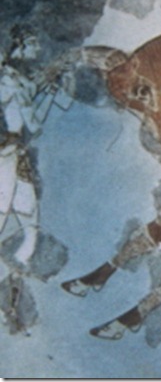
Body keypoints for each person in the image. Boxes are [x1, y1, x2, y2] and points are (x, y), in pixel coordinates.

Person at [0, 24, 68, 334]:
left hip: (16, 156)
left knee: (30, 226)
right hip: (4, 157)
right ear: (20, 46)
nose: (37, 50)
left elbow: (33, 120)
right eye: (32, 44)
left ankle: (11, 297)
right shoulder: (8, 79)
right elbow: (33, 121)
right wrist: (49, 91)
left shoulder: (17, 79)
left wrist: (49, 90)